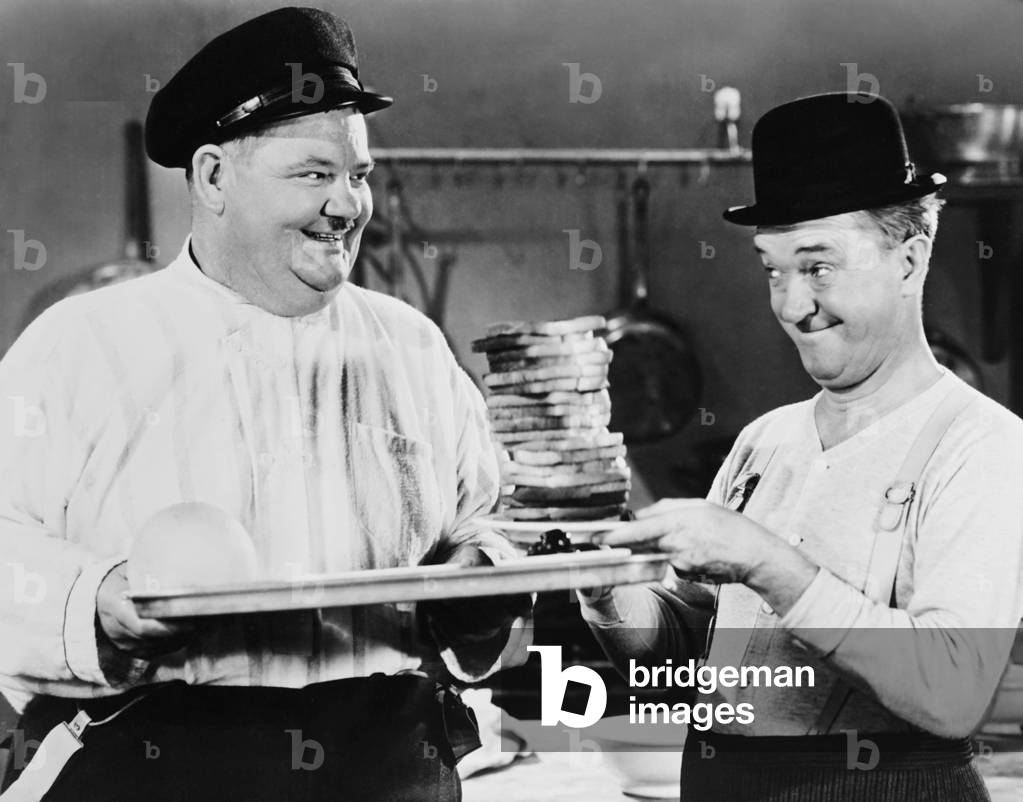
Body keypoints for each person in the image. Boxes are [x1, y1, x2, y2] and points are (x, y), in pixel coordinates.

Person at [0, 8, 529, 801]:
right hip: (153, 760)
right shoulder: (79, 345)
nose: (349, 207)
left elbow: (486, 521)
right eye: (314, 174)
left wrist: (482, 581)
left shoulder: (409, 346)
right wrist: (97, 604)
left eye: (359, 176)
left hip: (388, 762)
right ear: (212, 176)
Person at [580, 92, 1023, 801]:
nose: (790, 305)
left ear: (907, 261)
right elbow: (686, 654)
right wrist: (605, 588)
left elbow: (951, 692)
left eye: (817, 266)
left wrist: (764, 561)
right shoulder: (765, 442)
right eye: (771, 269)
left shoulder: (981, 447)